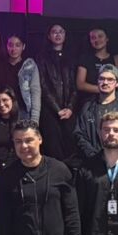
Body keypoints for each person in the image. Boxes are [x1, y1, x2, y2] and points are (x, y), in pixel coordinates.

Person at [75, 65, 118, 161]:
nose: (105, 82)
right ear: (97, 81)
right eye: (102, 78)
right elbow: (79, 135)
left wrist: (114, 156)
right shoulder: (87, 107)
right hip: (92, 162)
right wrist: (93, 156)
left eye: (110, 79)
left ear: (117, 83)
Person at [38, 23, 78, 162]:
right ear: (49, 36)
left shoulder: (72, 57)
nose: (58, 34)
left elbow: (75, 85)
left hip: (69, 110)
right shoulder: (42, 57)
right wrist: (57, 109)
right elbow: (43, 85)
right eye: (54, 32)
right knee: (53, 149)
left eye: (61, 31)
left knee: (70, 148)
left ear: (65, 35)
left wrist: (70, 107)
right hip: (50, 111)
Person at [76, 26, 118, 98]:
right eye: (93, 38)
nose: (96, 40)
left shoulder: (116, 58)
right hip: (89, 100)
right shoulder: (85, 58)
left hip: (110, 100)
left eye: (100, 36)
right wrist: (103, 89)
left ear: (107, 38)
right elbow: (80, 85)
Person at [8, 34, 41, 123]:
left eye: (17, 45)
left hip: (23, 111)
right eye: (10, 45)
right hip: (4, 111)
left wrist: (35, 119)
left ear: (23, 46)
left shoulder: (29, 65)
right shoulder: (1, 64)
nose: (13, 49)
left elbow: (35, 91)